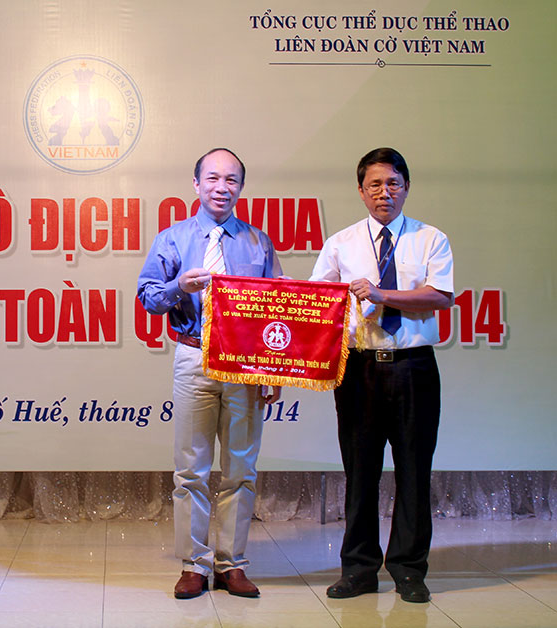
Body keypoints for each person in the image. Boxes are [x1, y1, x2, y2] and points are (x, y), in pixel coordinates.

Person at [310, 147, 454, 603]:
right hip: (359, 369)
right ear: (360, 191)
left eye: (393, 183)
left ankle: (409, 570)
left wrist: (381, 295)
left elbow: (440, 296)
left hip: (413, 367)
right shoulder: (341, 243)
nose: (384, 192)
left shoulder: (431, 239)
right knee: (360, 472)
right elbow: (316, 303)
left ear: (406, 188)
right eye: (375, 184)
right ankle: (359, 569)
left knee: (414, 471)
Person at [137, 148, 282, 599]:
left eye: (232, 180)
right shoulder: (173, 238)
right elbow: (148, 297)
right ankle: (194, 565)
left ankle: (232, 564)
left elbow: (278, 309)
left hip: (245, 363)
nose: (222, 187)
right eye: (213, 178)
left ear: (241, 187)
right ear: (196, 184)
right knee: (191, 470)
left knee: (241, 468)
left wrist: (272, 370)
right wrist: (179, 286)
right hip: (193, 356)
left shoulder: (258, 242)